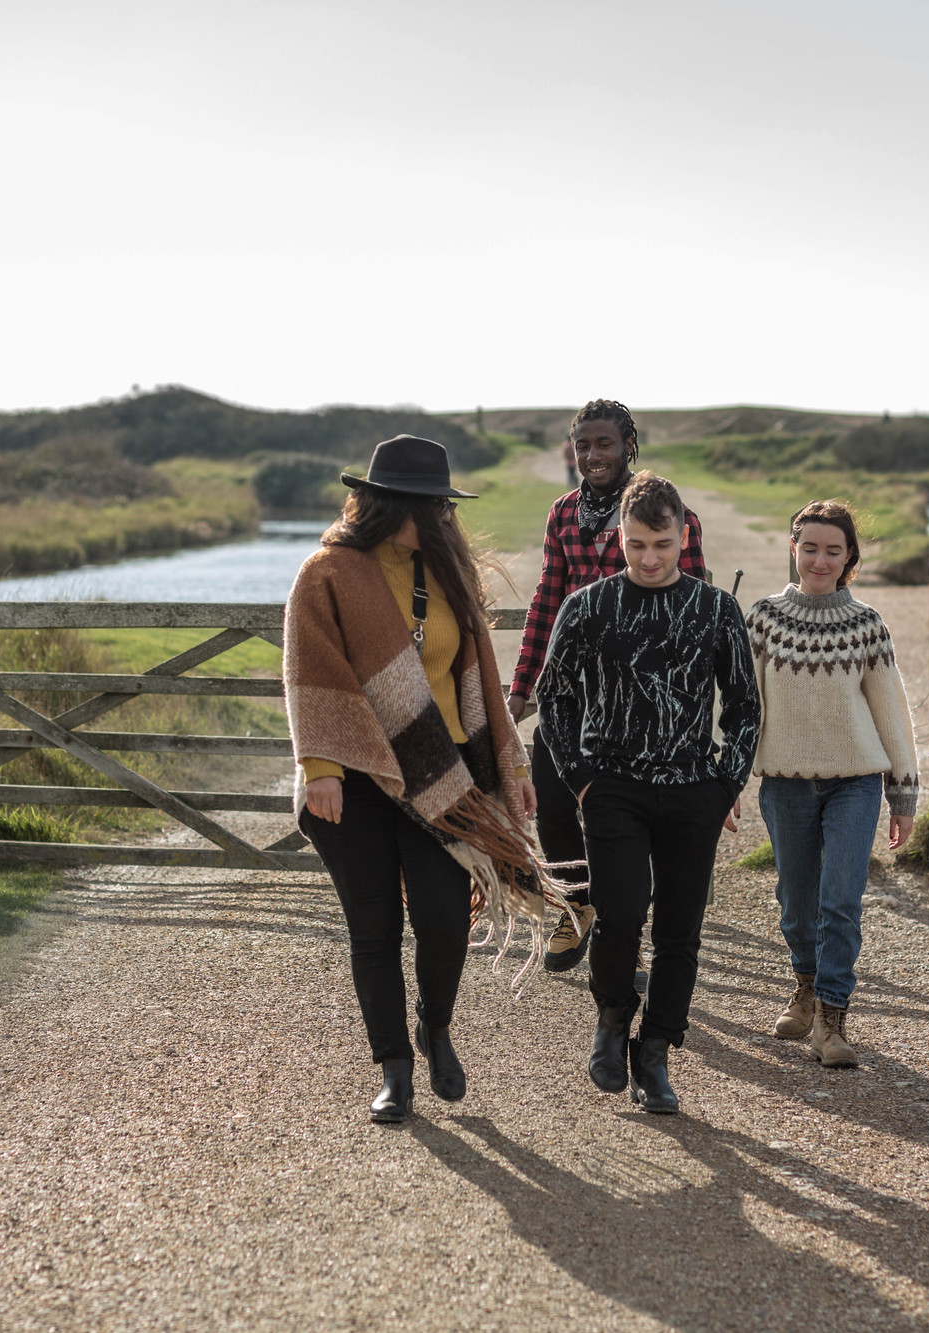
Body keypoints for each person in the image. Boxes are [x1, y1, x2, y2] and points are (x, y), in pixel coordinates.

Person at [284, 435, 549, 1125]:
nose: (441, 517)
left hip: (442, 774)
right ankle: (394, 1070)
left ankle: (436, 1026)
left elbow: (481, 682)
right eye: (430, 505)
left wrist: (510, 766)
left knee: (441, 920)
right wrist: (320, 768)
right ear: (389, 503)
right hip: (358, 775)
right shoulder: (329, 573)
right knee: (373, 927)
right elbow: (310, 670)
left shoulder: (448, 571)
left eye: (443, 505)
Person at [535, 470, 758, 1115]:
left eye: (660, 543)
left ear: (683, 534)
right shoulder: (587, 607)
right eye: (636, 545)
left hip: (693, 791)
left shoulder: (716, 609)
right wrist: (580, 780)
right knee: (622, 914)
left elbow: (744, 705)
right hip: (613, 788)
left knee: (680, 932)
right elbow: (554, 697)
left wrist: (725, 783)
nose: (649, 558)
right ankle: (611, 1022)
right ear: (621, 541)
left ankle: (655, 1052)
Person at [507, 400, 708, 974]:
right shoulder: (563, 514)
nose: (592, 455)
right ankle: (578, 908)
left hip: (640, 701)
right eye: (583, 445)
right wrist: (522, 688)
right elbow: (547, 601)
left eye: (604, 444)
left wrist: (684, 709)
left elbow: (690, 610)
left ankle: (627, 933)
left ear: (629, 445)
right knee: (551, 802)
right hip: (570, 695)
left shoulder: (672, 516)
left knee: (631, 820)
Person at [746, 500, 919, 1069]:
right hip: (786, 784)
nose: (821, 560)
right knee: (796, 905)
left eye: (834, 550)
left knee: (840, 901)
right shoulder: (764, 619)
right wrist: (726, 784)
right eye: (811, 547)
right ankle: (804, 985)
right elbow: (746, 708)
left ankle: (831, 1018)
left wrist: (903, 796)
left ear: (850, 559)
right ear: (794, 548)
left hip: (856, 783)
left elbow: (891, 712)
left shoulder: (867, 625)